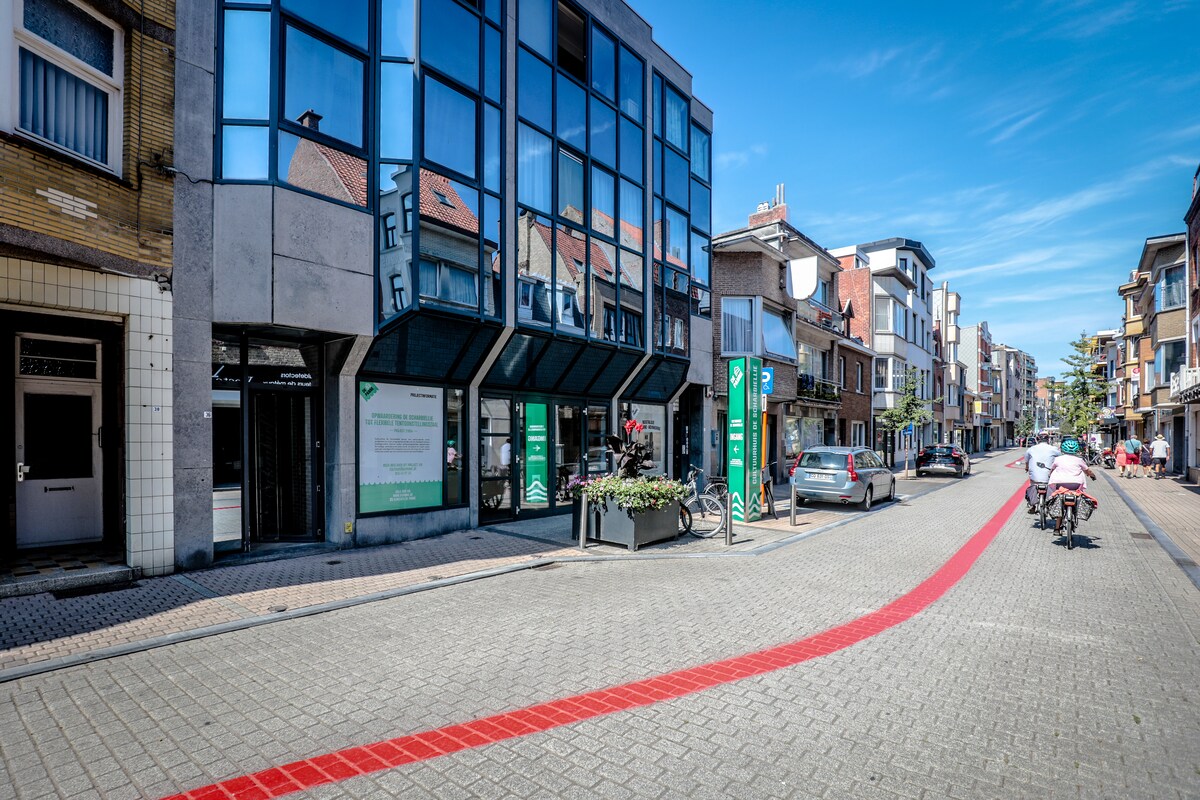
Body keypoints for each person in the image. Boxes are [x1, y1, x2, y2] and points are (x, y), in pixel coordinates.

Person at [1048, 439, 1096, 530]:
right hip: (1075, 485)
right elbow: (1087, 470)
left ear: (1062, 449)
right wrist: (1092, 476)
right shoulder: (1079, 460)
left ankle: (1057, 528)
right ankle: (1075, 512)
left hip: (1061, 485)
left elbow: (1052, 469)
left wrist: (1049, 475)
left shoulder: (1058, 459)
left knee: (1060, 503)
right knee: (1077, 498)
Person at [1024, 432, 1061, 513]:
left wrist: (1027, 468)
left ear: (1038, 439)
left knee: (1032, 485)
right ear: (1048, 440)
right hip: (1049, 476)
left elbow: (1026, 461)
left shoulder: (1031, 449)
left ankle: (1032, 505)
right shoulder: (1054, 449)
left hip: (1035, 477)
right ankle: (1052, 504)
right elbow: (1060, 459)